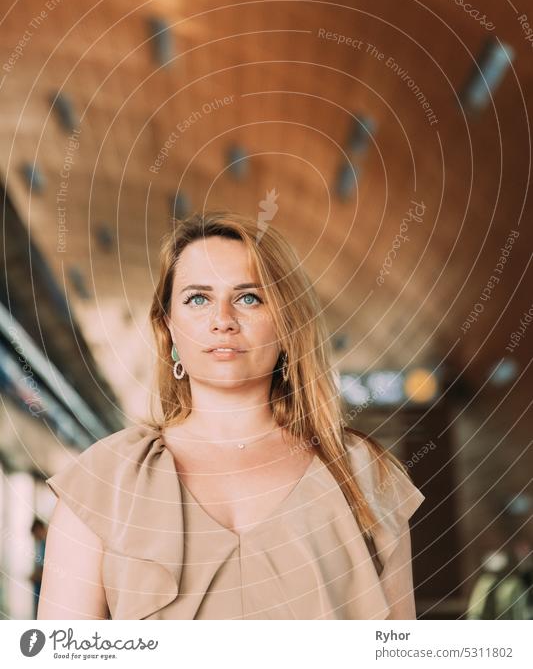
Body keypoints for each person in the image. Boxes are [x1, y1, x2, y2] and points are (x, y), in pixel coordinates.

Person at [38, 210, 425, 620]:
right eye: (198, 299)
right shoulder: (103, 480)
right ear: (168, 328)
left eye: (249, 298)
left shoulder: (365, 475)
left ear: (286, 325)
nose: (223, 320)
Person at [30, 517, 47, 618]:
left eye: (36, 535)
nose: (36, 538)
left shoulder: (47, 544)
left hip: (43, 588)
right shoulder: (41, 545)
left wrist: (36, 576)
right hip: (38, 587)